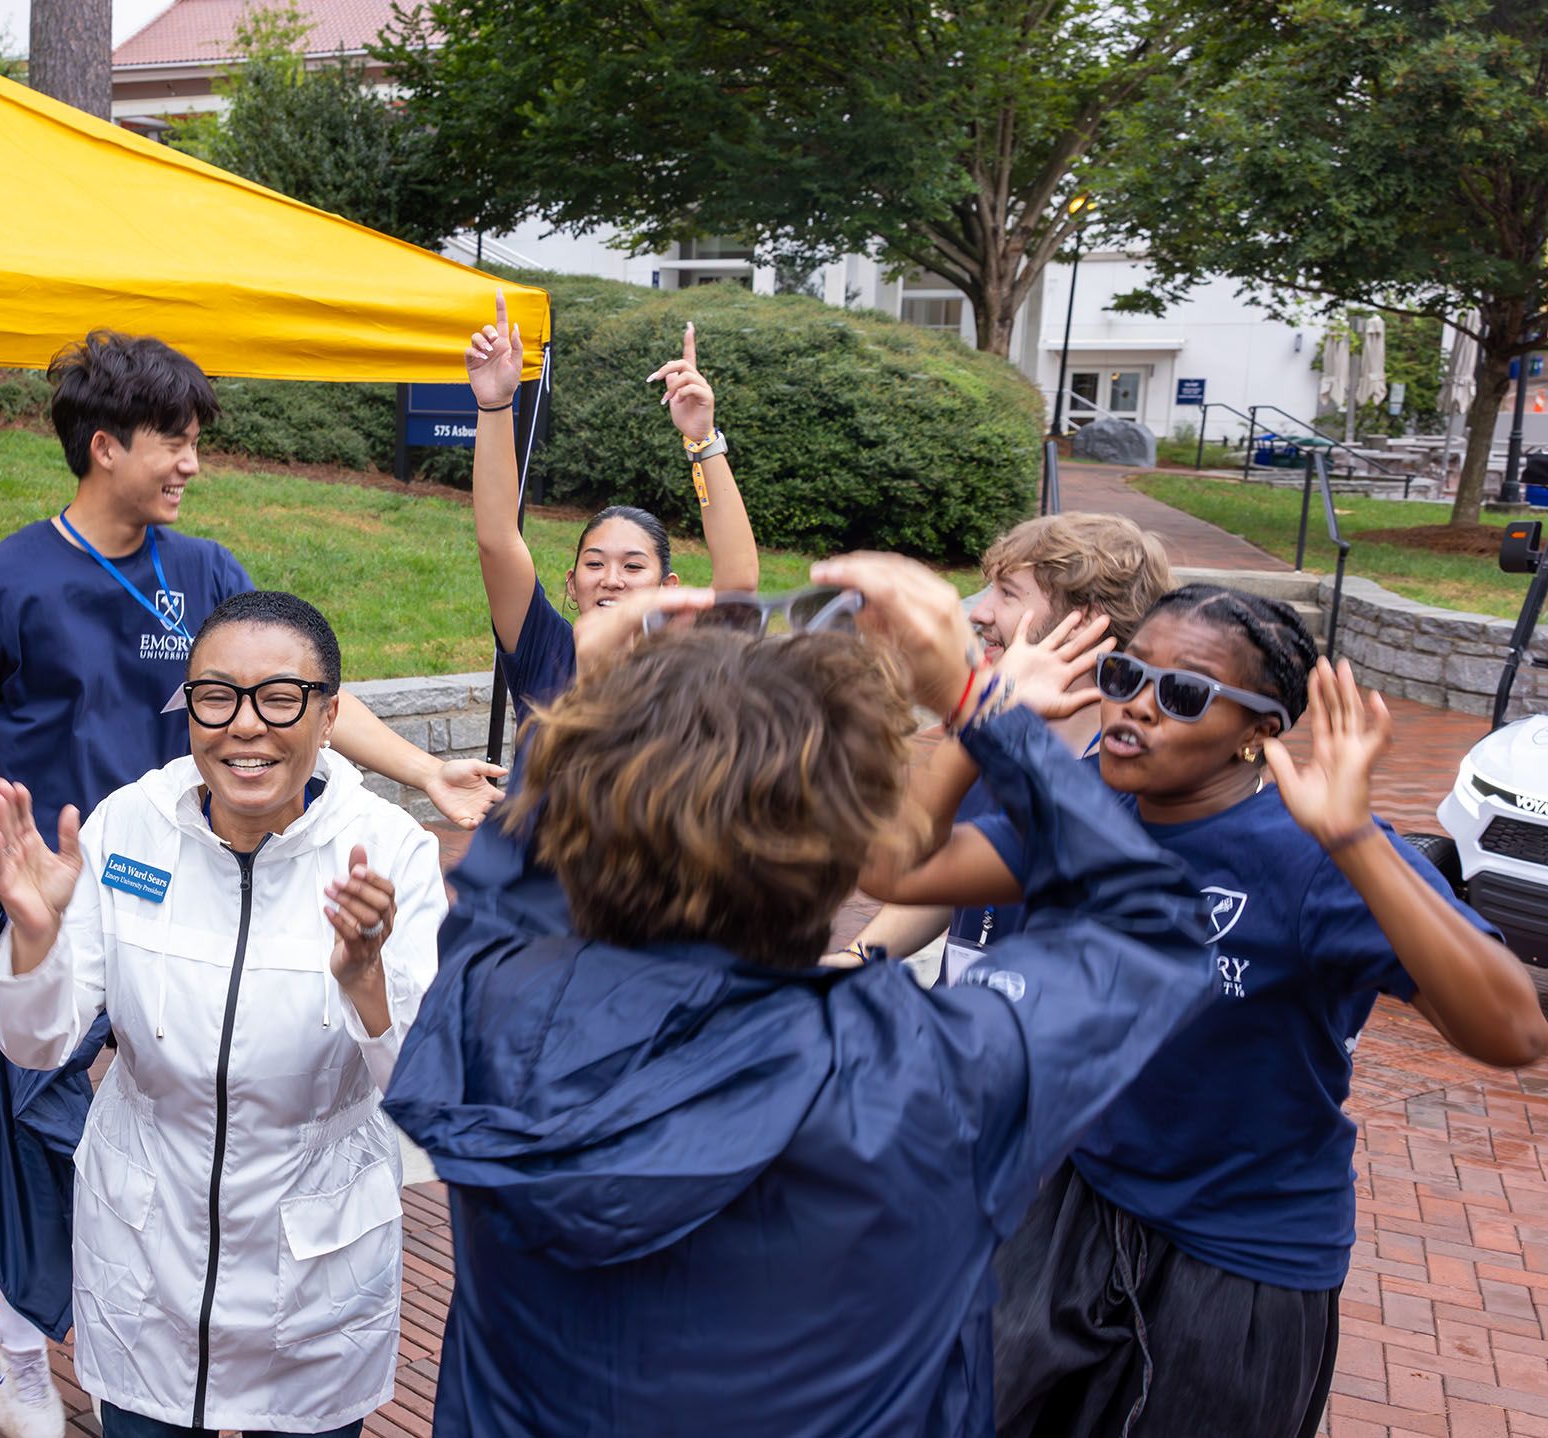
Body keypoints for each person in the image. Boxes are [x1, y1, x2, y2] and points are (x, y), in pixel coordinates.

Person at [382, 554, 1215, 1435]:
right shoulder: (926, 1073)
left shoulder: (493, 1001)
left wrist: (581, 704)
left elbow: (503, 889)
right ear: (856, 847)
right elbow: (1153, 930)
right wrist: (978, 701)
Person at [0, 330, 504, 1437]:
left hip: (232, 886)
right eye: (173, 441)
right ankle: (27, 1325)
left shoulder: (208, 575)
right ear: (104, 444)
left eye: (196, 441)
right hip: (71, 893)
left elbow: (296, 686)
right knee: (38, 1133)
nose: (192, 462)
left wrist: (421, 772)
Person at [866, 584, 1548, 1436]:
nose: (1136, 707)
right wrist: (981, 715)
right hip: (1077, 1202)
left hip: (1238, 1256)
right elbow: (898, 871)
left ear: (1257, 731)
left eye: (1183, 694)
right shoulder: (1091, 808)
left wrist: (1356, 843)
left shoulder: (1311, 855)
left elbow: (1513, 1029)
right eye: (1125, 676)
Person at [0, 590, 445, 1438]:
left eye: (280, 698)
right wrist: (37, 943)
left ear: (330, 714)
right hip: (147, 1265)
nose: (245, 725)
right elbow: (36, 1043)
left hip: (314, 1276)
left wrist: (365, 981)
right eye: (217, 696)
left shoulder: (390, 851)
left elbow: (426, 1091)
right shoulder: (130, 829)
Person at [840, 513, 1172, 973]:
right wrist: (855, 958)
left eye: (1008, 593)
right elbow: (948, 875)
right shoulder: (994, 740)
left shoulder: (1133, 788)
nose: (979, 612)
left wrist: (978, 707)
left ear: (1083, 622)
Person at [463, 294, 759, 717]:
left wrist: (702, 439)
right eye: (595, 563)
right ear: (571, 583)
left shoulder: (686, 668)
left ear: (668, 588)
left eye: (634, 566)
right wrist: (494, 403)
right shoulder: (544, 650)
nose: (611, 580)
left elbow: (738, 584)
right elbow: (497, 541)